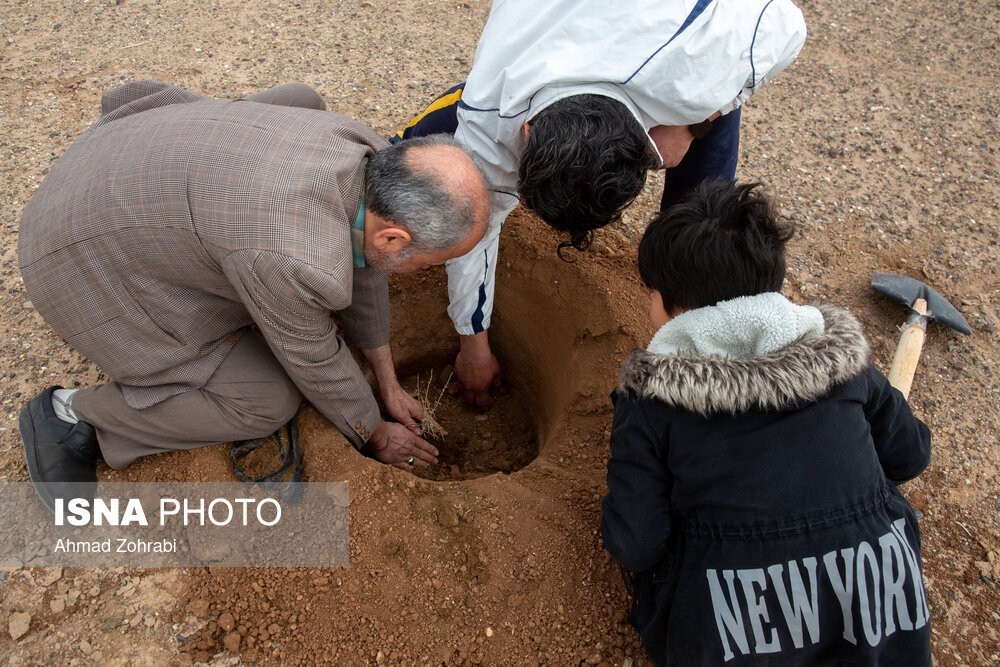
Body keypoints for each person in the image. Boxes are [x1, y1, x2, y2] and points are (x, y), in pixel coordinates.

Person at [17, 80, 491, 509]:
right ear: (393, 238)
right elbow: (314, 359)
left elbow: (366, 262)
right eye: (430, 261)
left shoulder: (358, 148)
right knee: (266, 400)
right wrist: (373, 431)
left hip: (116, 157)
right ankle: (70, 413)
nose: (427, 270)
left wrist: (386, 382)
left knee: (300, 100)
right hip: (72, 254)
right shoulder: (293, 256)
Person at [392, 0, 808, 407]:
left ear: (644, 147)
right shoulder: (488, 114)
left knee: (703, 226)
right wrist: (473, 343)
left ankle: (702, 334)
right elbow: (474, 232)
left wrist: (698, 122)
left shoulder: (692, 71)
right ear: (529, 131)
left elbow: (788, 28)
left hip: (673, 59)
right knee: (440, 159)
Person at [600, 181, 932, 665]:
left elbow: (635, 543)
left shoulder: (651, 404)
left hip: (731, 627)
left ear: (671, 304)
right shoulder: (847, 368)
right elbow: (910, 454)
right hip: (879, 617)